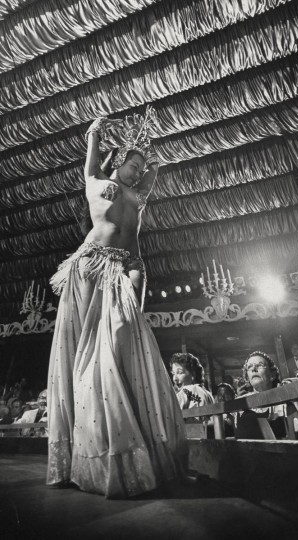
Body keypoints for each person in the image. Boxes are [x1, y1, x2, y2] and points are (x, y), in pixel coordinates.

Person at [46, 110, 187, 498]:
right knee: (87, 347)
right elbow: (91, 161)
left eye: (140, 168)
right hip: (92, 264)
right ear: (119, 161)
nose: (137, 172)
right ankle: (92, 444)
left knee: (124, 334)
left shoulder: (139, 196)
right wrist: (96, 130)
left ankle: (132, 439)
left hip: (127, 267)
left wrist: (149, 152)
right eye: (132, 165)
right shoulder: (97, 182)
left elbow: (155, 171)